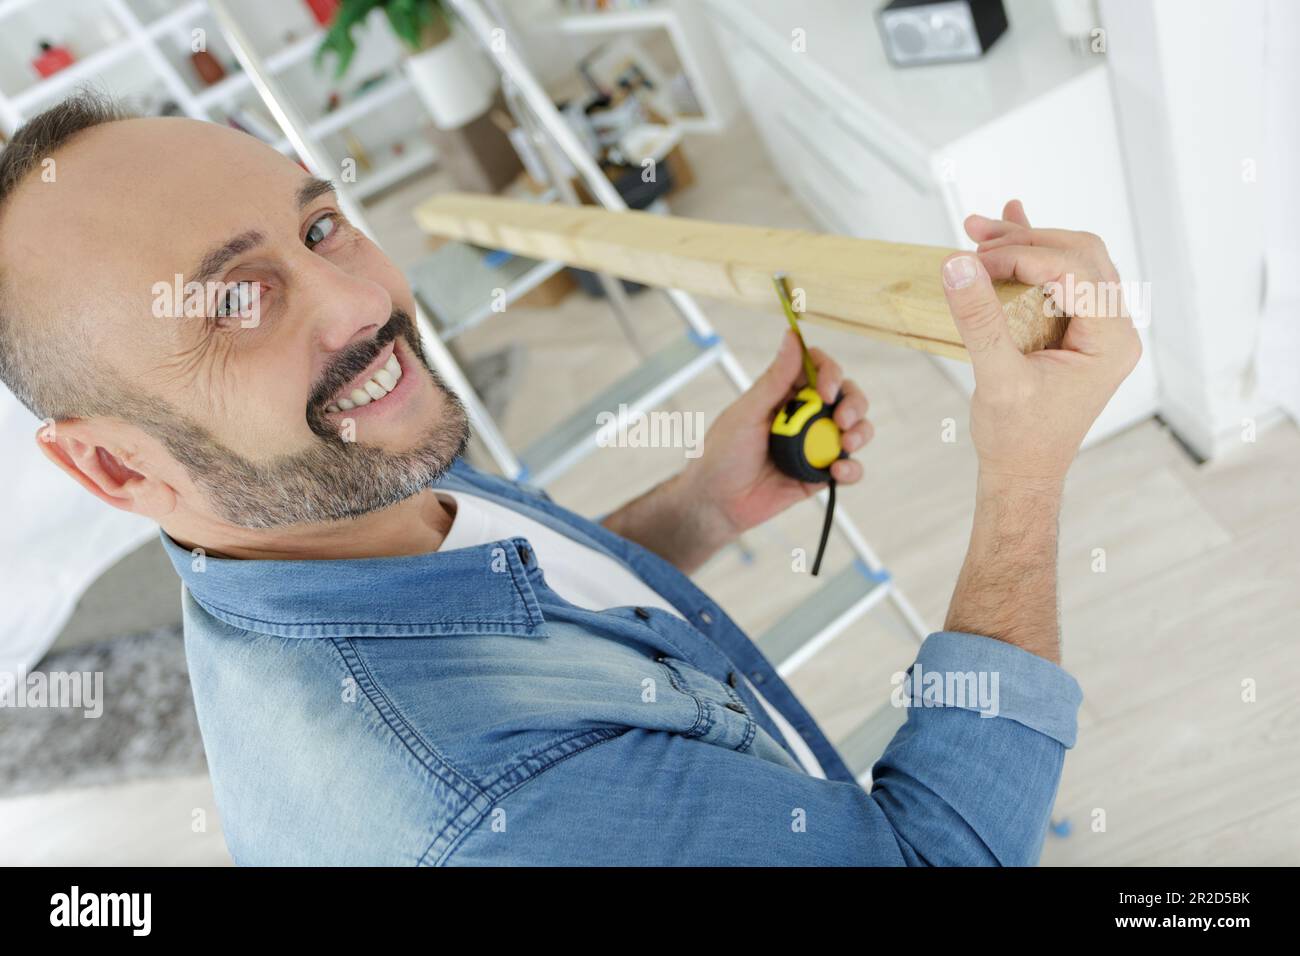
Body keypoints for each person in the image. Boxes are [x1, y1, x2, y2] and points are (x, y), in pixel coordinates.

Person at [0, 94, 1140, 865]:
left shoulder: (316, 495)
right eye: (235, 301)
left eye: (321, 224)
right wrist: (1024, 474)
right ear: (113, 462)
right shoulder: (491, 815)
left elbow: (491, 607)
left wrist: (698, 507)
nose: (360, 306)